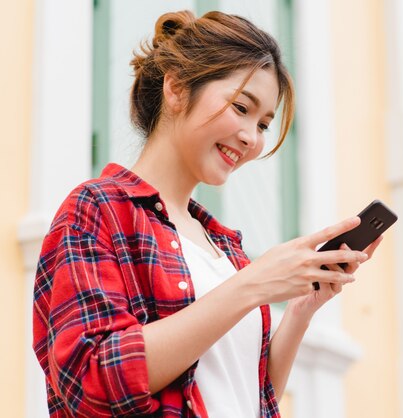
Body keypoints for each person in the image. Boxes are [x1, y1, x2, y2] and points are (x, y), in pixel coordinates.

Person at [32, 9, 382, 418]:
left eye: (265, 123)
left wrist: (303, 308)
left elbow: (249, 392)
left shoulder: (224, 248)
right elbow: (94, 381)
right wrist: (254, 284)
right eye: (241, 107)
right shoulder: (98, 210)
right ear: (177, 89)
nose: (252, 138)